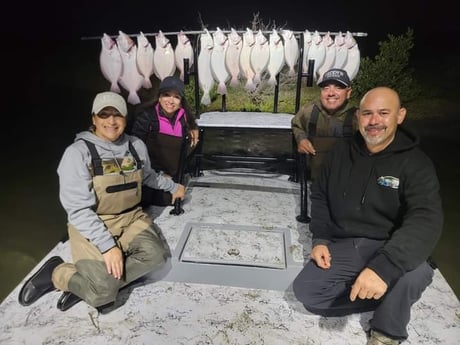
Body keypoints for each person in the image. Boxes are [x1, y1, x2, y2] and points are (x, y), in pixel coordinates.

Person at [292, 87, 443, 344]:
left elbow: (426, 217)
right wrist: (320, 239)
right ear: (357, 117)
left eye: (384, 113)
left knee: (413, 274)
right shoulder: (340, 153)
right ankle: (386, 293)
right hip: (348, 243)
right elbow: (320, 197)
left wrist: (383, 268)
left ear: (400, 116)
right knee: (307, 293)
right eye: (367, 114)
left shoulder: (417, 163)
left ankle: (386, 331)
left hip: (391, 243)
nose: (374, 121)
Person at [18, 91, 185, 311]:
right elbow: (77, 210)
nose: (111, 121)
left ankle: (89, 283)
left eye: (117, 115)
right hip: (93, 221)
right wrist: (108, 247)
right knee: (102, 296)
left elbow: (148, 176)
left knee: (157, 258)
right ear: (94, 119)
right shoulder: (77, 153)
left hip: (131, 217)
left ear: (125, 118)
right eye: (104, 115)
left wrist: (174, 187)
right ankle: (58, 274)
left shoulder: (136, 145)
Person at [130, 76, 199, 206]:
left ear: (181, 101)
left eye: (176, 97)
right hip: (150, 176)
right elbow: (134, 152)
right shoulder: (146, 117)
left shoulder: (185, 119)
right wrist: (158, 174)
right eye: (166, 95)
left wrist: (194, 127)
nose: (171, 101)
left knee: (178, 198)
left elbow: (192, 129)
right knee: (164, 199)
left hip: (174, 176)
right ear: (159, 97)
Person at [291, 68, 357, 181]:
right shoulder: (309, 111)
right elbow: (297, 125)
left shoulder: (358, 117)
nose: (331, 93)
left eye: (338, 87)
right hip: (314, 180)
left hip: (346, 182)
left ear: (348, 92)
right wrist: (301, 139)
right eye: (326, 88)